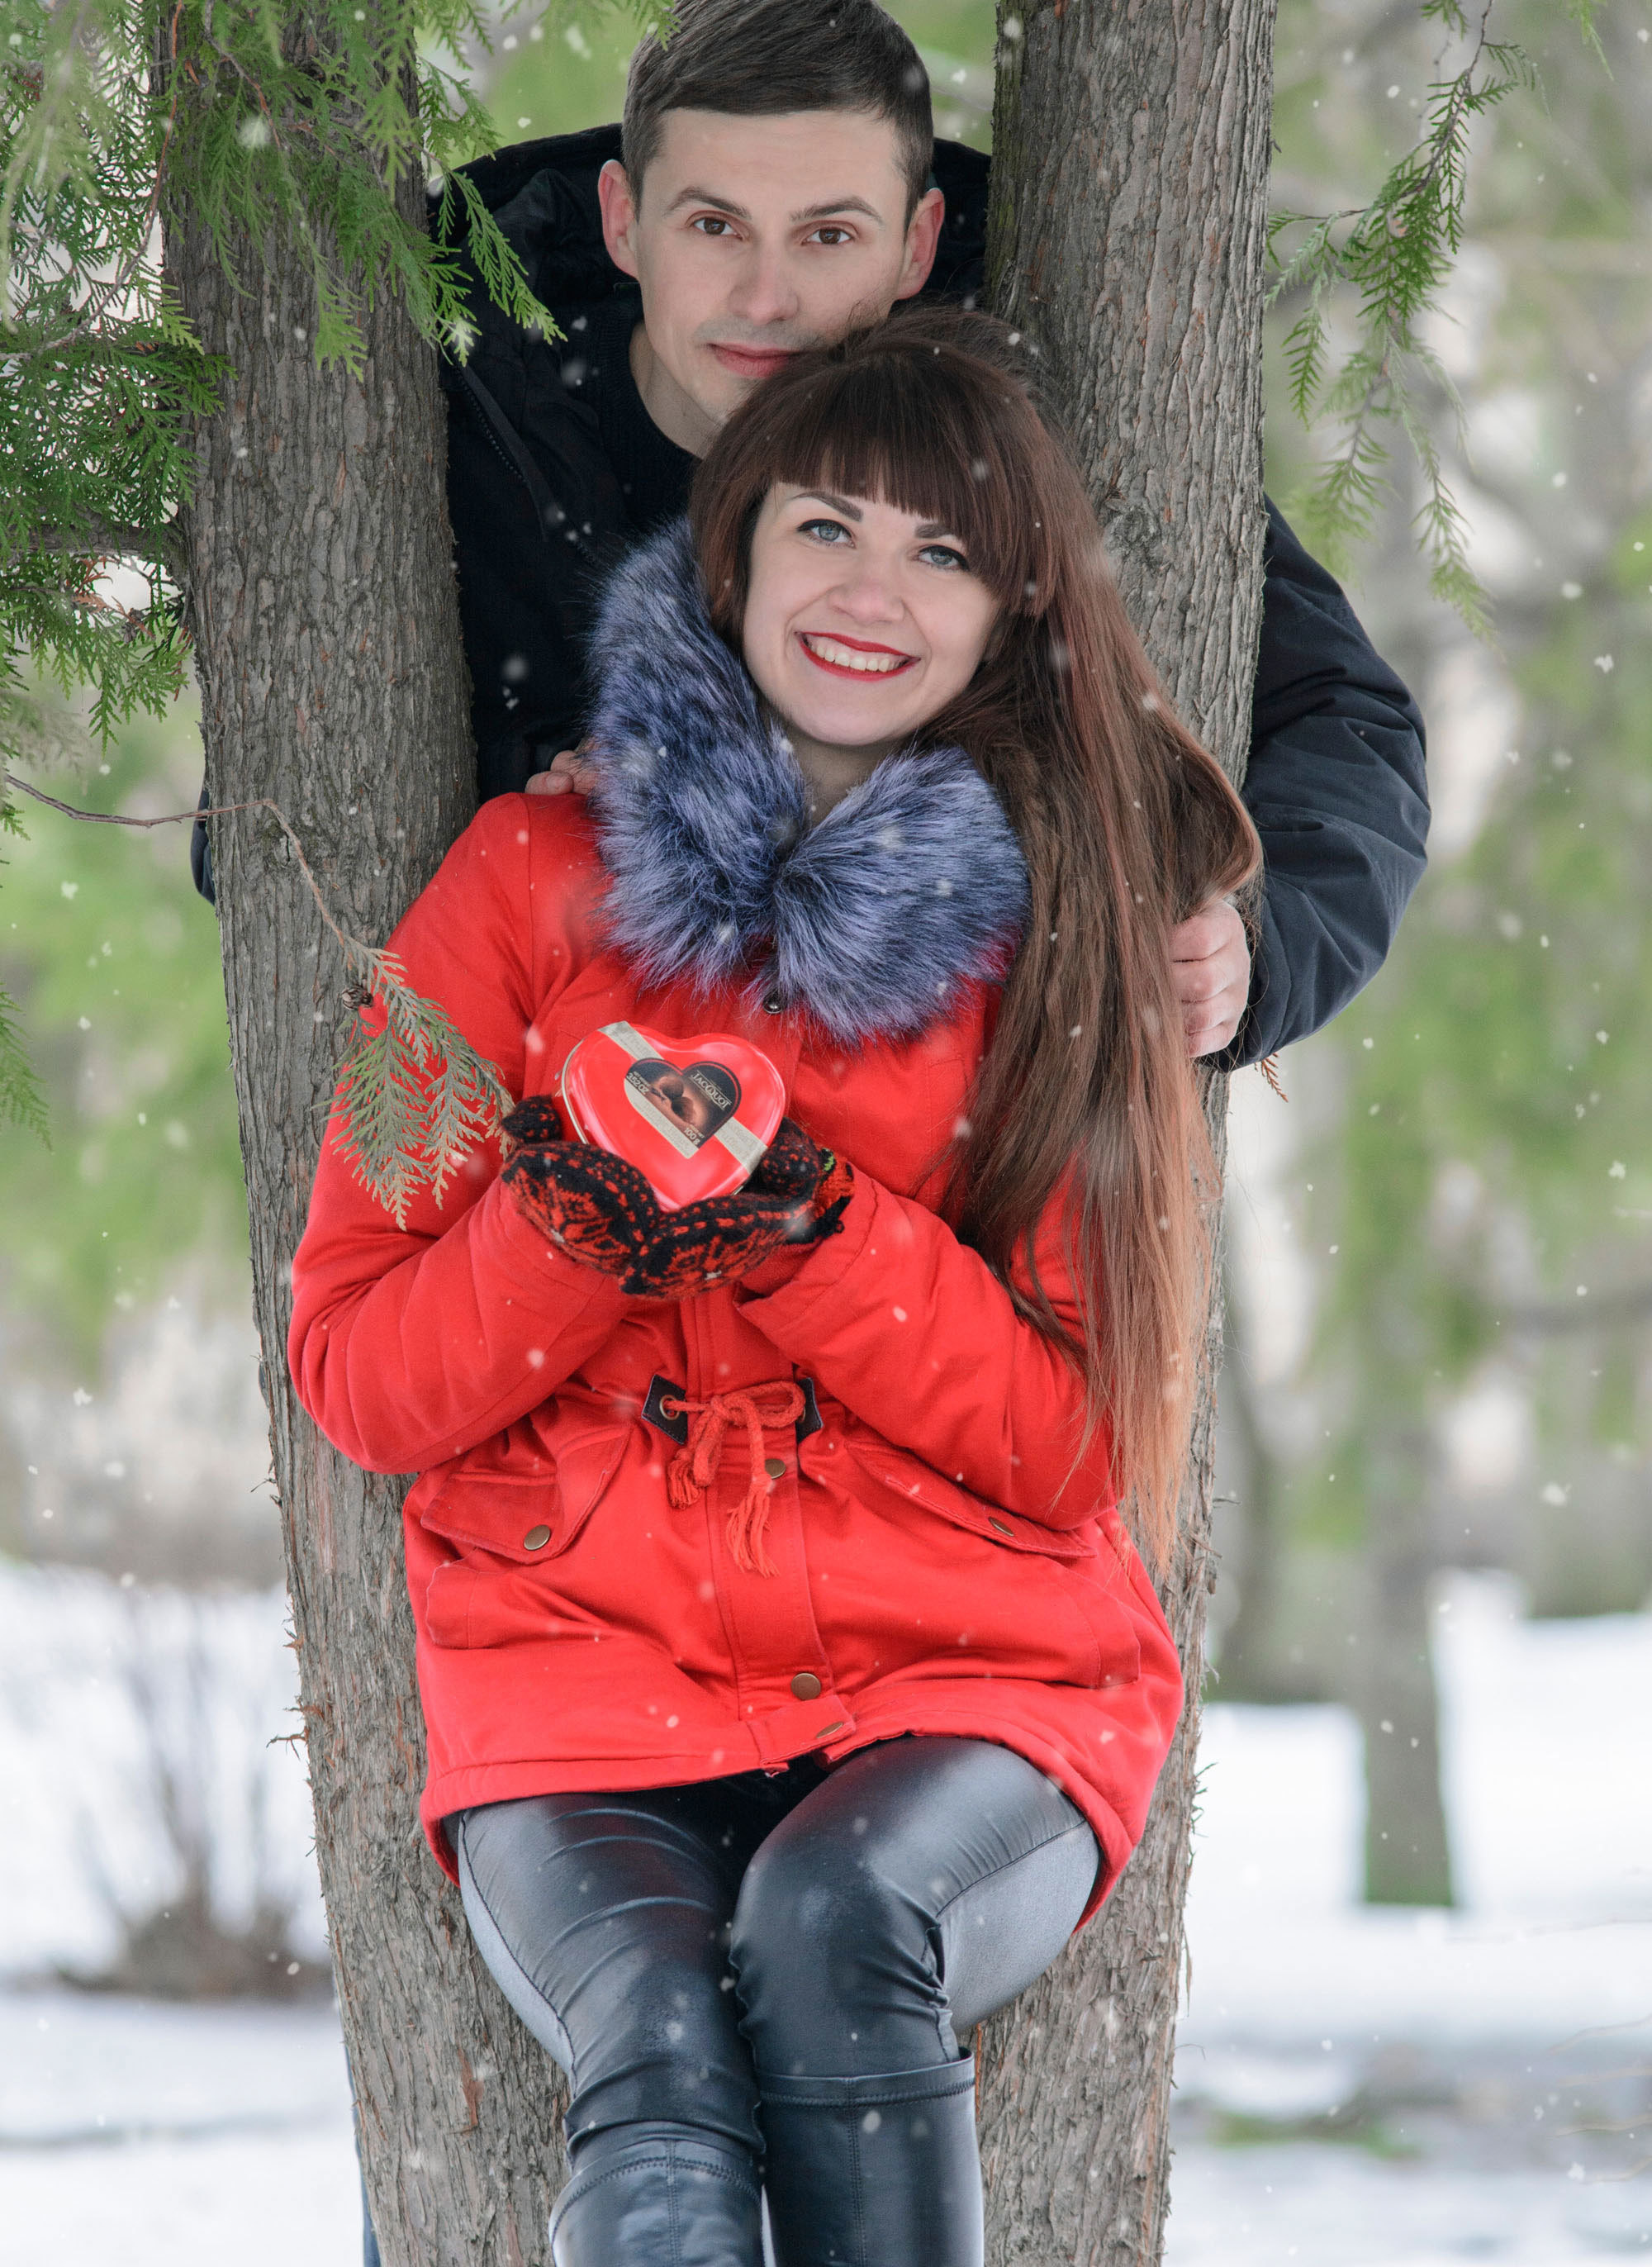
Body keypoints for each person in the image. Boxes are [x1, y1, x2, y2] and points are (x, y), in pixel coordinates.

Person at [287, 311, 1261, 2266]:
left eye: (946, 555)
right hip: (579, 1679)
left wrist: (799, 1225)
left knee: (830, 1935)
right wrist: (582, 1210)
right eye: (828, 527)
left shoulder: (1074, 920)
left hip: (974, 1684)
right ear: (730, 550)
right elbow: (361, 1369)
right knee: (649, 2032)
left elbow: (1074, 1438)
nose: (873, 595)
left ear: (1011, 615)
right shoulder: (518, 876)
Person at [190, 0, 1427, 1071]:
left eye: (828, 234)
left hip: (929, 1155)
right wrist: (540, 797)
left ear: (916, 240)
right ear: (623, 220)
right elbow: (262, 820)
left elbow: (1343, 718)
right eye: (715, 226)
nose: (767, 298)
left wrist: (1255, 946)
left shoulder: (1005, 424)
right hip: (545, 1140)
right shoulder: (453, 417)